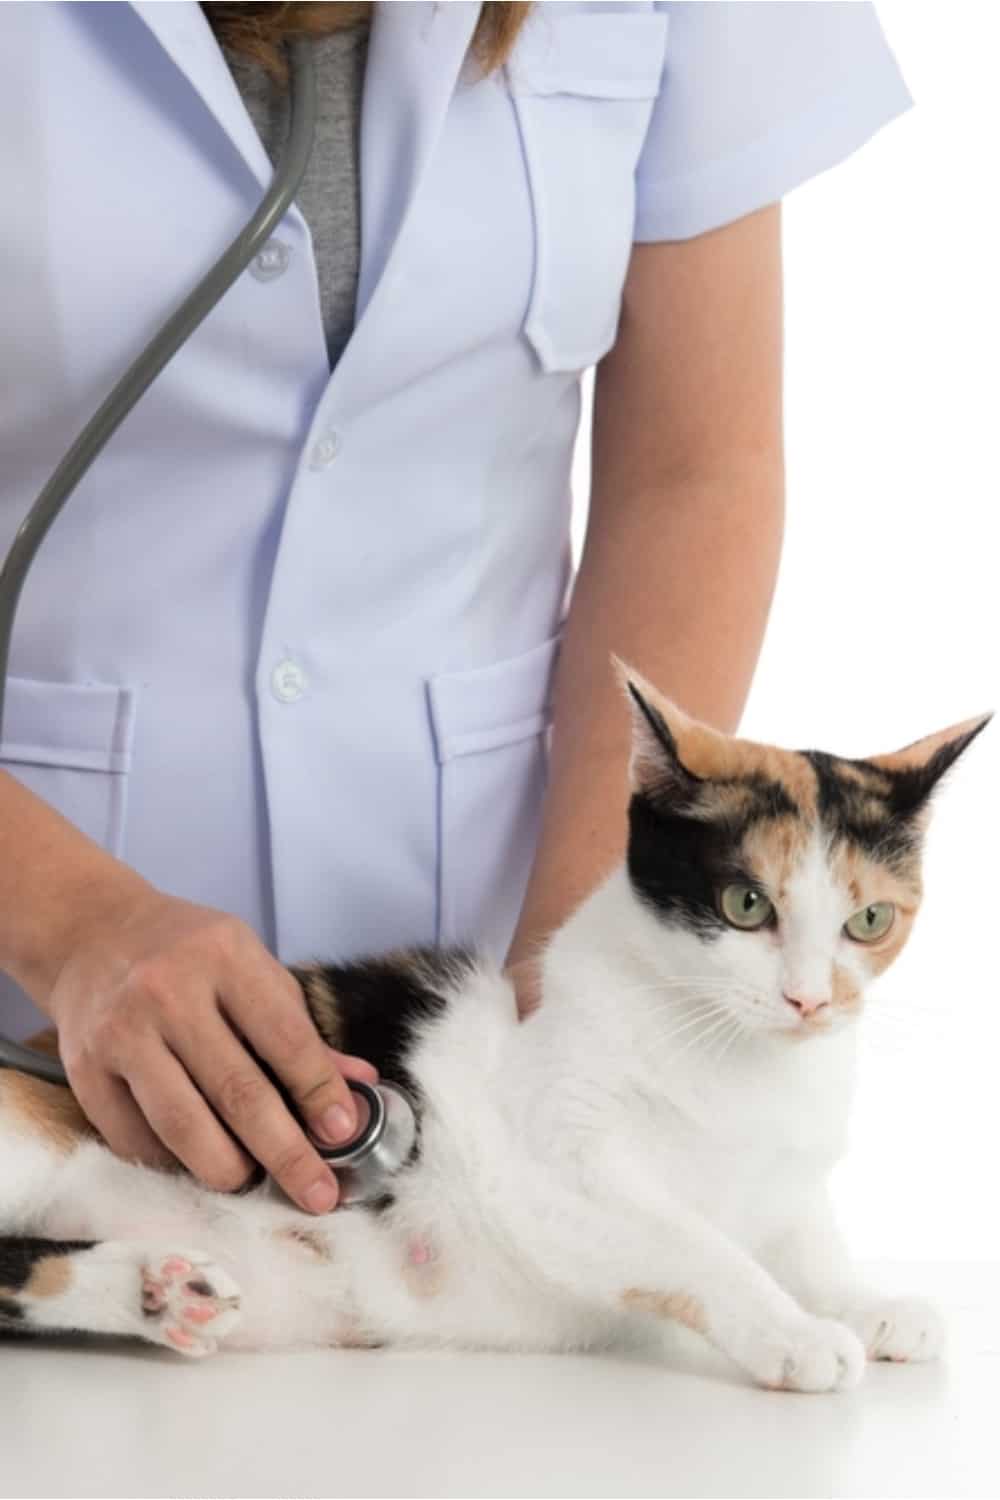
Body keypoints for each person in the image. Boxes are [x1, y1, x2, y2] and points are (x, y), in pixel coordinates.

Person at [0, 1, 910, 1213]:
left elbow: (694, 473)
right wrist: (71, 923)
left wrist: (566, 989)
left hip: (470, 1047)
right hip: (29, 1034)